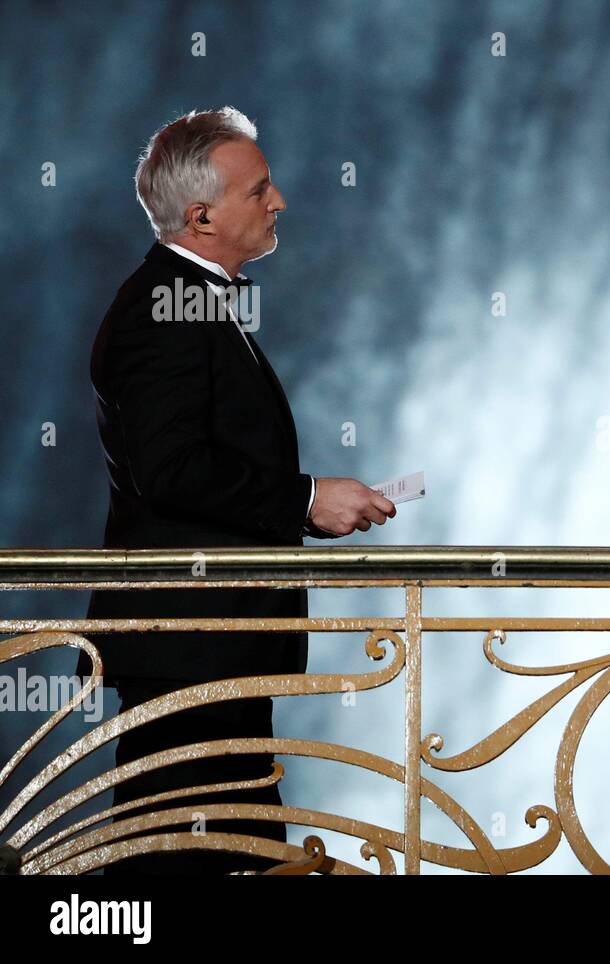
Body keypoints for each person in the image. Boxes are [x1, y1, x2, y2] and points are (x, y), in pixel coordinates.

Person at [78, 107, 397, 874]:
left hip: (208, 644)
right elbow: (172, 470)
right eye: (259, 190)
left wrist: (307, 502)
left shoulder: (190, 299)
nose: (278, 200)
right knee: (191, 859)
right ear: (202, 216)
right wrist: (306, 498)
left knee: (228, 850)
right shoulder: (166, 308)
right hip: (191, 646)